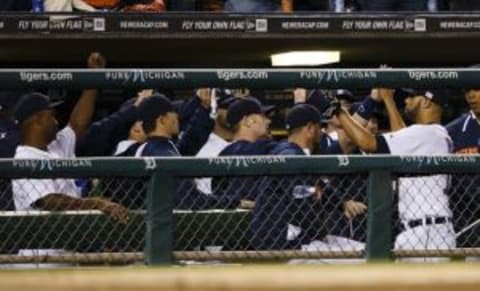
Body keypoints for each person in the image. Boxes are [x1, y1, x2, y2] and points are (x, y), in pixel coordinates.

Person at [331, 88, 455, 262]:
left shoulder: (425, 133)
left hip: (426, 234)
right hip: (428, 231)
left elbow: (368, 143)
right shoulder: (433, 134)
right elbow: (402, 138)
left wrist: (338, 111)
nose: (406, 101)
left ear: (426, 101)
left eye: (412, 97)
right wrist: (388, 100)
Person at [135, 94, 216, 209]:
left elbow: (191, 141)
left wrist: (204, 108)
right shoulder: (162, 154)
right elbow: (190, 200)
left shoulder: (153, 147)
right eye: (173, 113)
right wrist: (229, 201)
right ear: (162, 120)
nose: (177, 116)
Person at [213, 97, 276, 209]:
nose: (268, 121)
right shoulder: (262, 148)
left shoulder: (224, 153)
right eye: (263, 116)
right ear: (248, 121)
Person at [446, 87, 480, 255]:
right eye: (467, 90)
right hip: (466, 222)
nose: (471, 95)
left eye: (477, 89)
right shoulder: (452, 131)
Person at [195, 89, 236, 195]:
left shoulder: (242, 144)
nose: (234, 112)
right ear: (215, 112)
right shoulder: (207, 152)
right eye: (228, 107)